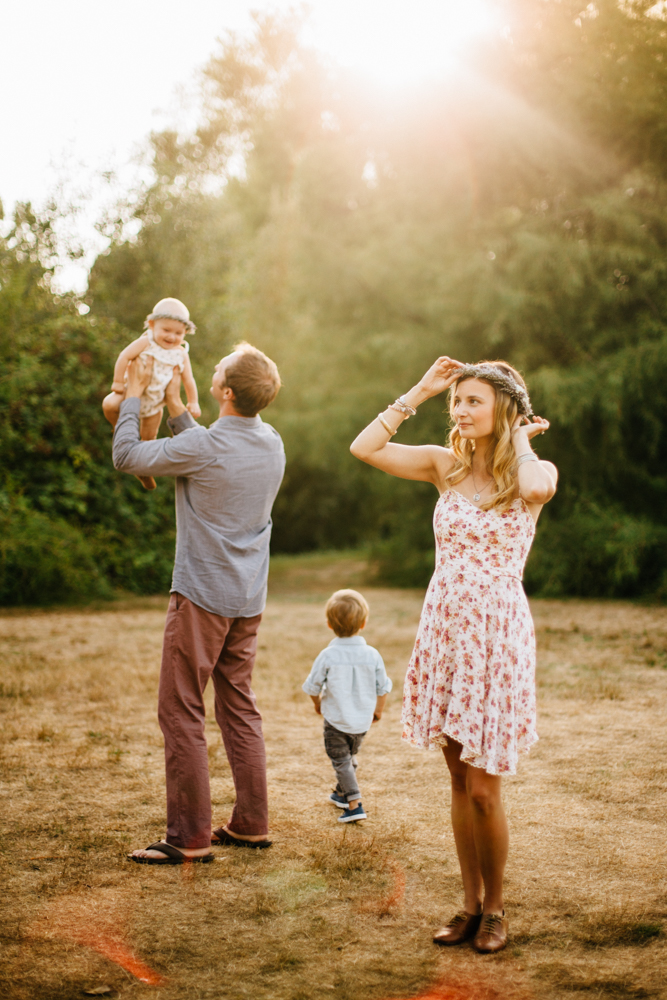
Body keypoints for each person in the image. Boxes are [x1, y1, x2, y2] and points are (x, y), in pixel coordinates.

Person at [350, 357, 557, 953]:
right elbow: (365, 447)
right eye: (457, 402)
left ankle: (496, 910)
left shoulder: (533, 470)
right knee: (459, 779)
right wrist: (418, 390)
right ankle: (467, 905)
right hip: (445, 632)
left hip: (497, 637)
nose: (461, 411)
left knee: (486, 788)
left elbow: (538, 488)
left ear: (504, 411)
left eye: (474, 402)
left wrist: (518, 435)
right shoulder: (445, 466)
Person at [112, 341, 285, 865]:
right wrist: (173, 405)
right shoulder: (272, 441)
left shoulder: (206, 447)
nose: (206, 373)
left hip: (201, 596)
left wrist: (133, 398)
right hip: (247, 599)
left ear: (226, 392)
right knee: (239, 706)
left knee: (181, 709)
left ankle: (189, 837)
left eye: (215, 372)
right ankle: (252, 824)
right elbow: (207, 449)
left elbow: (126, 457)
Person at [302, 589, 392, 824]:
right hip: (362, 722)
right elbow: (383, 687)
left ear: (329, 624)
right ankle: (341, 793)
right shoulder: (373, 654)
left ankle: (354, 804)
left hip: (336, 721)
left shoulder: (328, 655)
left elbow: (312, 687)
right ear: (363, 623)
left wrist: (318, 703)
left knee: (341, 760)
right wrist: (378, 711)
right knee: (348, 757)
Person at [102, 297, 201, 490]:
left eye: (179, 333)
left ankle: (144, 472)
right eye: (166, 330)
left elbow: (189, 380)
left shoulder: (181, 353)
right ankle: (118, 428)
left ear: (185, 333)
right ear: (152, 324)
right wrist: (117, 381)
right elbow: (124, 356)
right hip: (130, 393)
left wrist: (193, 401)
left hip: (155, 405)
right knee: (109, 404)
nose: (172, 337)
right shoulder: (145, 342)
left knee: (149, 439)